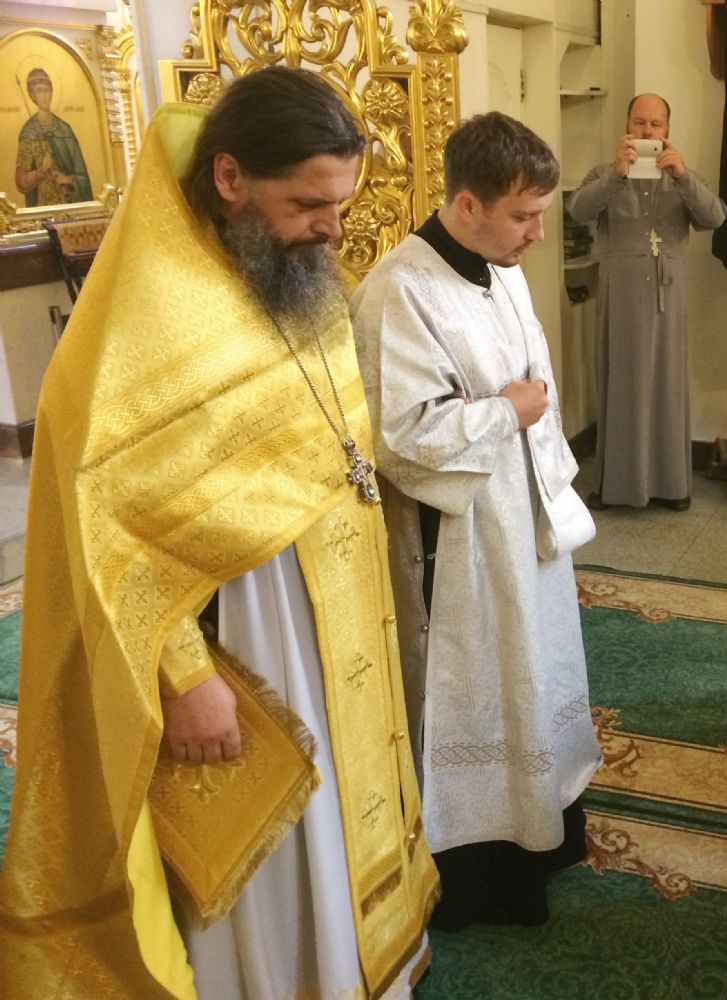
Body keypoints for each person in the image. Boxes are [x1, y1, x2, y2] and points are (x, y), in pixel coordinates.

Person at [0, 68, 438, 999]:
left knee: (343, 815)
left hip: (332, 617)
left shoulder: (298, 280)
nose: (333, 227)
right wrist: (186, 679)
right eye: (309, 204)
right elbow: (106, 530)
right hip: (244, 636)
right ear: (231, 177)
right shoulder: (139, 324)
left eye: (340, 201)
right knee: (266, 850)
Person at [350, 111, 602, 930]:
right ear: (466, 205)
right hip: (457, 543)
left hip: (520, 518)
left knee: (534, 668)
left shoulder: (502, 268)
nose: (537, 234)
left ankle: (544, 825)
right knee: (479, 684)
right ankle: (479, 868)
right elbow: (399, 434)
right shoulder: (398, 291)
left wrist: (527, 424)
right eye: (522, 216)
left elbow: (532, 381)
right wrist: (505, 412)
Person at [566, 93, 726, 511]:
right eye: (640, 122)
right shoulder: (605, 173)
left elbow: (715, 217)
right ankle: (616, 486)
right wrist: (615, 177)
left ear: (667, 130)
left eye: (656, 124)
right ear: (627, 125)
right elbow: (578, 211)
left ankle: (671, 485)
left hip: (669, 298)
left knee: (667, 385)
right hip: (621, 298)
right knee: (621, 382)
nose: (647, 131)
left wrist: (683, 177)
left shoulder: (683, 175)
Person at [13, 67, 93, 206]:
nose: (44, 95)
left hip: (69, 204)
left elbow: (83, 177)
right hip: (42, 208)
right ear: (32, 96)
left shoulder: (64, 130)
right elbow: (21, 182)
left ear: (52, 93)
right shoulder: (29, 132)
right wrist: (42, 170)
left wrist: (68, 179)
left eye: (47, 90)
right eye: (39, 91)